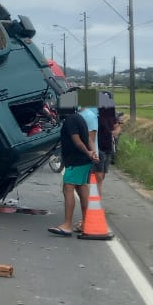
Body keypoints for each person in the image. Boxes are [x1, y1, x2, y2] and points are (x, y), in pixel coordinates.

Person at [49, 99, 98, 236]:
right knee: (82, 188)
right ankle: (86, 223)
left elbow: (77, 141)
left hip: (76, 161)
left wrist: (88, 152)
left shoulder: (70, 120)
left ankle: (67, 225)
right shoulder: (79, 118)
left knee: (68, 188)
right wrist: (92, 153)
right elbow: (88, 139)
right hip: (84, 161)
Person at [96, 91, 119, 197]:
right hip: (98, 147)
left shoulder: (111, 114)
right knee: (99, 177)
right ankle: (95, 202)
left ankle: (94, 199)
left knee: (103, 175)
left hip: (108, 147)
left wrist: (116, 131)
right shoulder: (96, 114)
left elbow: (117, 126)